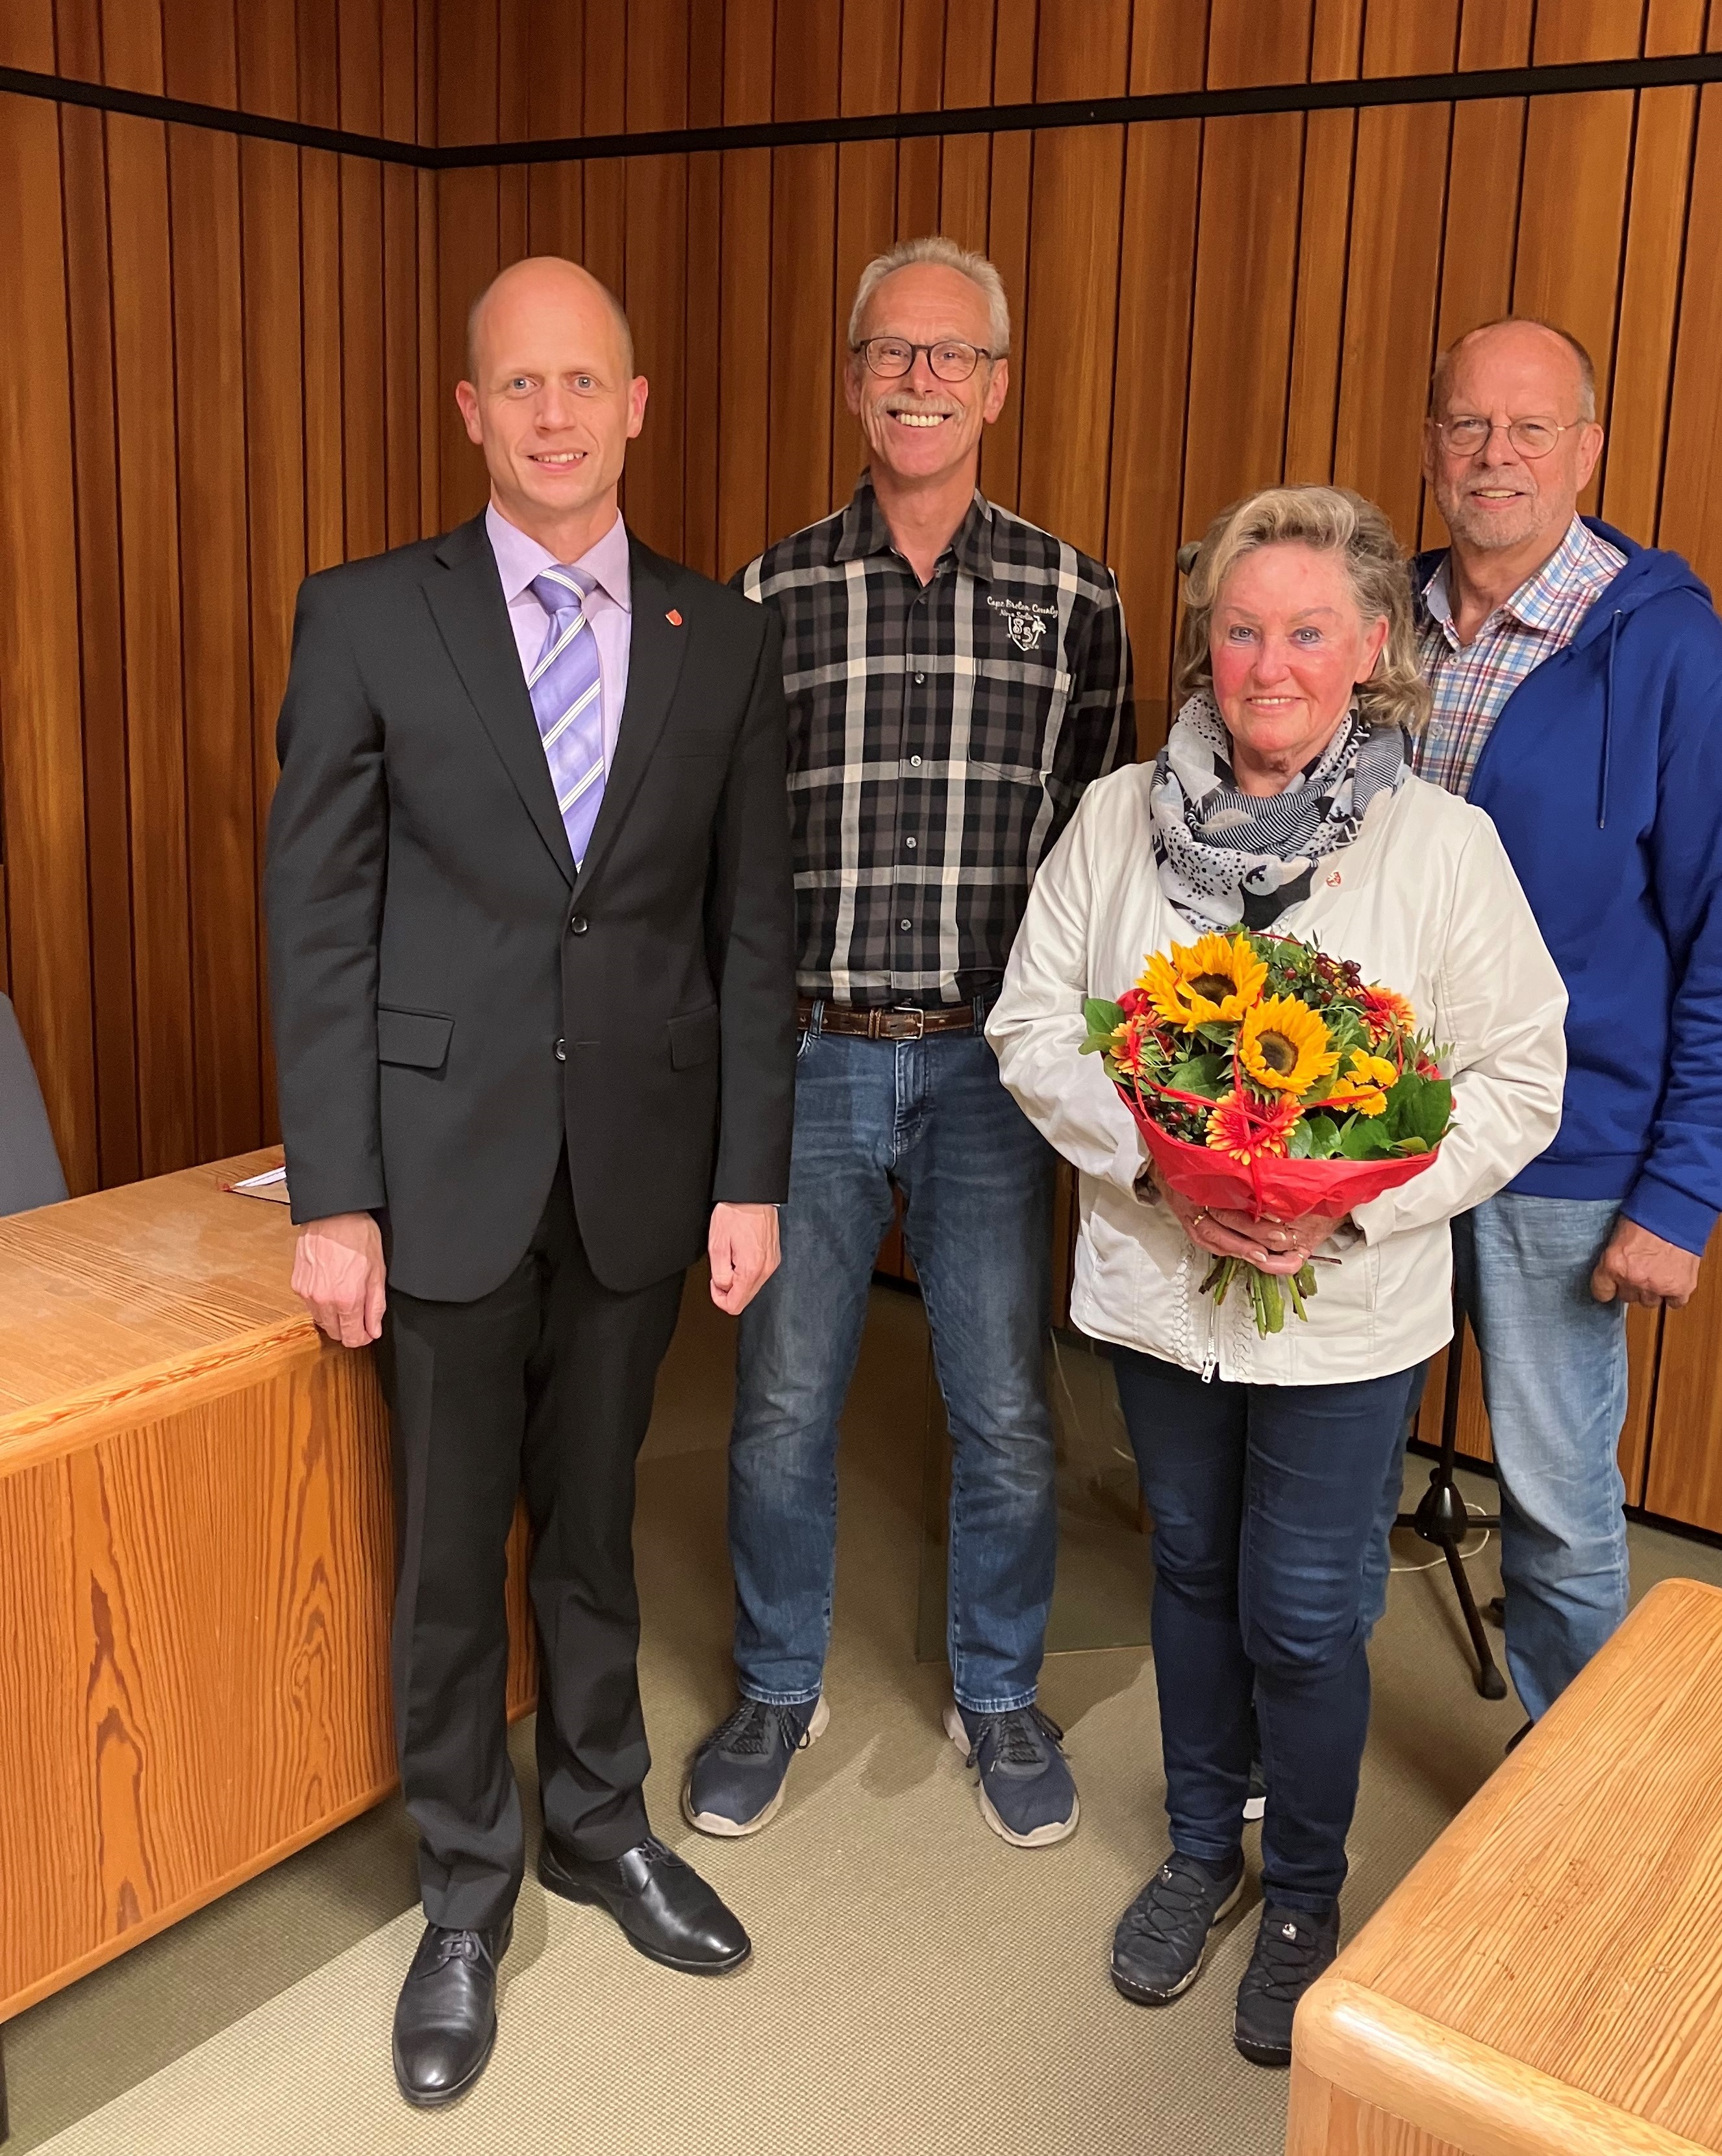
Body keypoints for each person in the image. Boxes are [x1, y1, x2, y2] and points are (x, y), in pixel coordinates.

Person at [264, 256, 797, 2109]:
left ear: (635, 406)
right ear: (470, 411)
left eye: (584, 382)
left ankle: (598, 1818)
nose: (554, 415)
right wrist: (334, 1194)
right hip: (438, 1169)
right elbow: (318, 923)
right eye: (520, 384)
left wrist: (750, 1174)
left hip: (643, 1166)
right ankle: (465, 1891)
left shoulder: (722, 637)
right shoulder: (365, 617)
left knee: (593, 1524)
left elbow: (749, 928)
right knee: (446, 1552)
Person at [987, 485, 1567, 2064]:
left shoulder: (1443, 847)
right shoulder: (1116, 818)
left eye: (1308, 631)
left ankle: (1304, 1889)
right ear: (1209, 644)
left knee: (1305, 1614)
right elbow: (1032, 1022)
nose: (1270, 663)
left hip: (1347, 1311)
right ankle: (1202, 1848)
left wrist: (1353, 1208)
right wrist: (1160, 1163)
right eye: (1242, 630)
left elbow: (1520, 1078)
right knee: (1187, 1568)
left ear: (1370, 646)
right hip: (1159, 1291)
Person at [682, 235, 1133, 1852]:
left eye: (953, 355)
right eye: (893, 351)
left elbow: (1102, 857)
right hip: (809, 1057)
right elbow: (729, 860)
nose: (921, 378)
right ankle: (775, 1681)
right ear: (854, 380)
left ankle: (998, 1689)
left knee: (1002, 1403)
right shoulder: (768, 595)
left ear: (997, 386)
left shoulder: (1077, 599)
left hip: (989, 1069)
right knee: (783, 1400)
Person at [1403, 317, 1722, 1728]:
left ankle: (1575, 1794)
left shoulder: (1668, 651)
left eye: (1531, 428)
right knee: (1322, 1463)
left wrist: (1681, 1196)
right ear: (1432, 443)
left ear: (1587, 449)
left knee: (1560, 1501)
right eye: (1468, 424)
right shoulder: (1380, 622)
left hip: (1564, 1155)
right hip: (1369, 1131)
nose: (1495, 455)